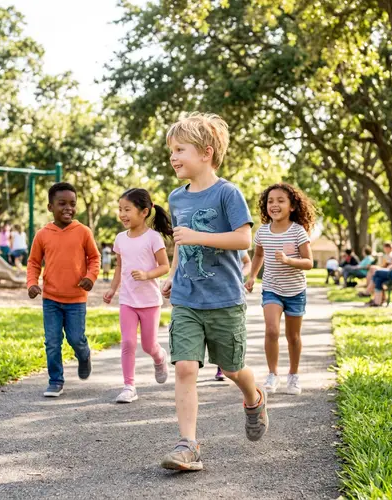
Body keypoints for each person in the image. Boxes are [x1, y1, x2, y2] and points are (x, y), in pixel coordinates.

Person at [160, 112, 267, 472]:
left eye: (180, 149)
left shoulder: (227, 193)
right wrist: (174, 274)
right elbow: (180, 244)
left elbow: (243, 239)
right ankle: (188, 444)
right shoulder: (177, 198)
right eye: (171, 151)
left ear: (206, 153)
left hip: (225, 300)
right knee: (185, 367)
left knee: (233, 368)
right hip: (187, 299)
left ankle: (253, 398)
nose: (173, 157)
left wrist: (197, 237)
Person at [27, 182, 101, 397]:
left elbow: (95, 258)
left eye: (72, 204)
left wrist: (90, 277)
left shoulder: (83, 231)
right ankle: (55, 380)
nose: (68, 208)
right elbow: (33, 262)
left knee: (76, 338)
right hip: (51, 298)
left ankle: (84, 354)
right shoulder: (42, 234)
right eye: (62, 204)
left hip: (76, 298)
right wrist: (32, 283)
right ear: (50, 207)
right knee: (52, 342)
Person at [245, 183, 316, 397]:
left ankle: (293, 374)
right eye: (270, 201)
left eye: (280, 201)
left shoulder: (298, 231)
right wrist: (252, 277)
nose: (274, 205)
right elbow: (258, 255)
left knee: (293, 336)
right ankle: (272, 373)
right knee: (272, 330)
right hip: (272, 288)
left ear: (292, 206)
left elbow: (309, 262)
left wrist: (288, 260)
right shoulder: (263, 232)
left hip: (295, 291)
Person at [103, 188, 172, 403]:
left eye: (127, 209)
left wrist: (147, 274)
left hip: (150, 301)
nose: (122, 214)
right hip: (128, 300)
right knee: (128, 342)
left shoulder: (153, 238)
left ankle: (160, 357)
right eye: (120, 209)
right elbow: (119, 267)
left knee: (148, 345)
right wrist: (113, 289)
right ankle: (129, 386)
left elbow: (165, 267)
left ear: (144, 212)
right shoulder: (120, 239)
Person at [215, 249, 251, 381]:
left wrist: (238, 275)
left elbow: (248, 263)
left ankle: (224, 365)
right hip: (209, 293)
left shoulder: (234, 242)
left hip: (231, 295)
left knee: (224, 334)